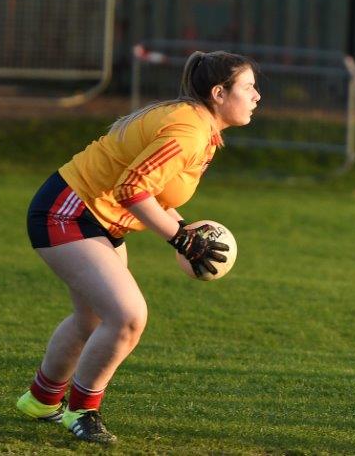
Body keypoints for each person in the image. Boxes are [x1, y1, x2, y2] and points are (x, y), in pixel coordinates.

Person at [15, 51, 260, 444]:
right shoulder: (189, 130)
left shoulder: (198, 126)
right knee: (128, 316)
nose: (256, 96)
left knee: (93, 318)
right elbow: (132, 190)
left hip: (93, 217)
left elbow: (155, 190)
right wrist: (180, 239)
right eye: (248, 87)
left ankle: (42, 400)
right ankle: (81, 411)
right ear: (218, 92)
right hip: (68, 213)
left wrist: (183, 229)